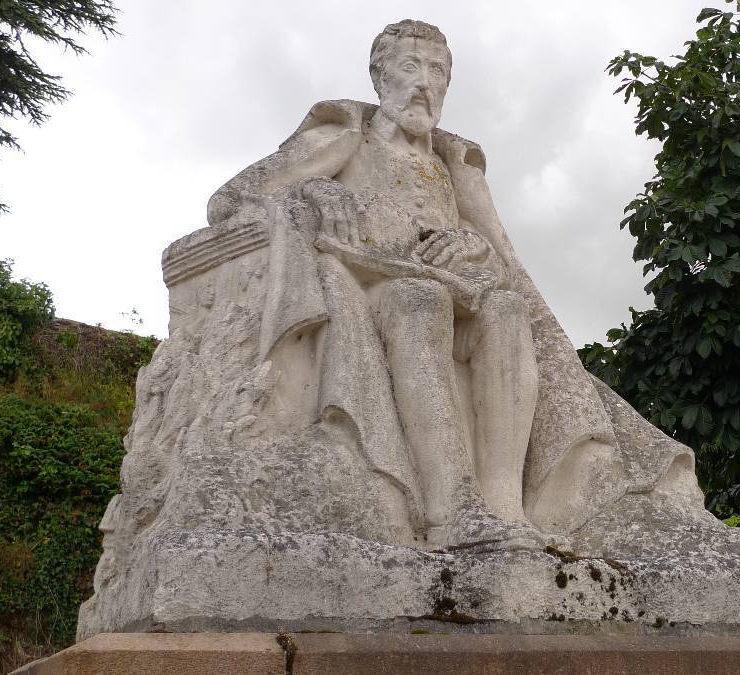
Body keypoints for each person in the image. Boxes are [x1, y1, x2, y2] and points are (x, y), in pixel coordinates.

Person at [204, 19, 704, 550]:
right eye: (410, 66)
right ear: (379, 76)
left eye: (437, 71)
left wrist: (476, 247)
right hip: (370, 291)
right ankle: (451, 509)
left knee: (508, 310)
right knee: (419, 300)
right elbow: (230, 201)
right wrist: (312, 193)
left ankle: (504, 509)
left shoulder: (451, 164)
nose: (424, 82)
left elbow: (503, 260)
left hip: (455, 291)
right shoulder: (344, 137)